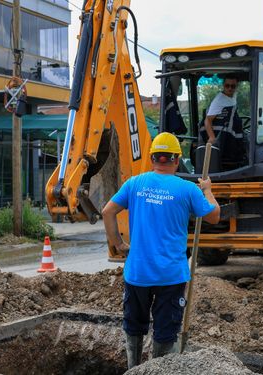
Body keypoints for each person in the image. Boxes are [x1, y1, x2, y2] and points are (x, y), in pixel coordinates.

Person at [101, 132, 220, 369]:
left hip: (137, 274)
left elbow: (107, 212)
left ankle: (133, 369)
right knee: (165, 335)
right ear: (176, 159)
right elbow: (214, 216)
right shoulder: (188, 189)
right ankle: (161, 370)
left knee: (134, 329)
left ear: (153, 158)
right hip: (170, 277)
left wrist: (119, 244)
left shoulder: (134, 184)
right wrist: (207, 189)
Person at [199, 75, 245, 165]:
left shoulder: (232, 97)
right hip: (223, 142)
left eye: (233, 86)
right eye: (227, 86)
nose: (230, 88)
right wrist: (212, 138)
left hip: (230, 140)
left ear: (236, 87)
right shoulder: (219, 100)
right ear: (223, 85)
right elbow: (207, 120)